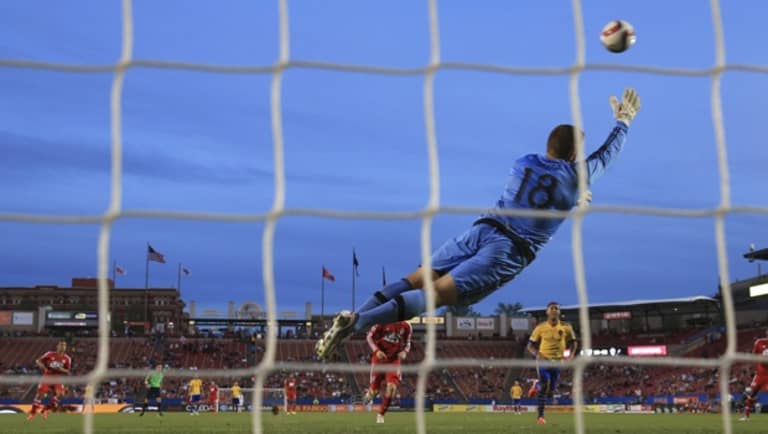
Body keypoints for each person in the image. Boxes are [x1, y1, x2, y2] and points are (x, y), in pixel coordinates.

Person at [316, 88, 640, 360]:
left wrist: (573, 193)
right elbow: (605, 157)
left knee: (416, 278)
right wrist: (623, 122)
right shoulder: (574, 176)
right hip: (508, 249)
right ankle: (358, 323)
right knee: (437, 295)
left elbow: (551, 185)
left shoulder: (523, 162)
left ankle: (355, 313)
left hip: (480, 230)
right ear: (573, 155)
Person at [526, 302, 577, 424]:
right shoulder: (540, 327)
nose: (554, 310)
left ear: (559, 312)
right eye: (552, 308)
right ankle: (540, 417)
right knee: (545, 386)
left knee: (551, 391)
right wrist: (538, 354)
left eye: (557, 308)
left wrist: (571, 354)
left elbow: (574, 342)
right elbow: (530, 346)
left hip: (558, 362)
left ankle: (536, 386)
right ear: (547, 312)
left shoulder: (566, 327)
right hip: (544, 361)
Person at [362, 321, 412, 424]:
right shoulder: (383, 320)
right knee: (374, 392)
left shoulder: (407, 326)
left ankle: (381, 414)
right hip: (379, 359)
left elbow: (408, 342)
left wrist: (405, 351)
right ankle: (369, 394)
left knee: (392, 388)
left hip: (393, 360)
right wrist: (376, 350)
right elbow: (369, 337)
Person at [27, 340, 71, 421]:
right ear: (57, 346)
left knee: (60, 396)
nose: (62, 347)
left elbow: (67, 371)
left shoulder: (67, 358)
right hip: (47, 376)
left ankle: (45, 410)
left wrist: (61, 369)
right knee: (40, 394)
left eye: (64, 345)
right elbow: (38, 361)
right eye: (61, 345)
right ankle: (33, 412)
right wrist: (43, 367)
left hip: (58, 378)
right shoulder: (49, 354)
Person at [739, 328, 768, 421]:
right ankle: (746, 416)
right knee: (752, 394)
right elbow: (753, 356)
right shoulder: (759, 342)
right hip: (760, 374)